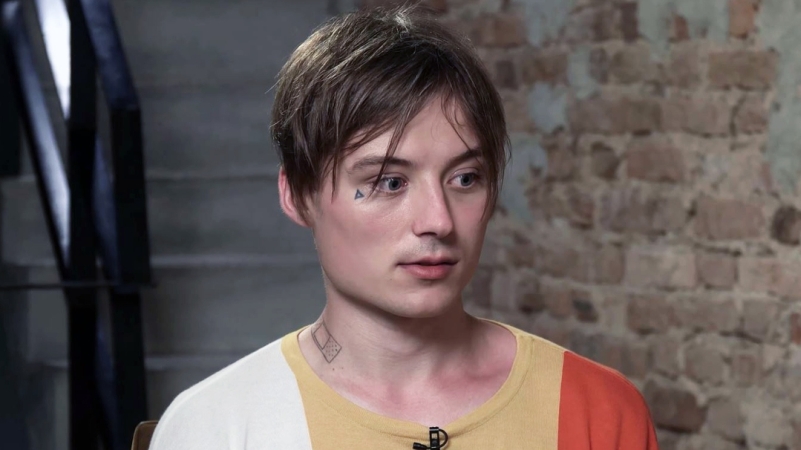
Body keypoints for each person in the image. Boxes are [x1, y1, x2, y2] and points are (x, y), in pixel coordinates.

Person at [148, 5, 659, 449]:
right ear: (298, 195)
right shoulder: (216, 426)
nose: (438, 220)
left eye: (465, 178)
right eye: (389, 183)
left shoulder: (598, 408)